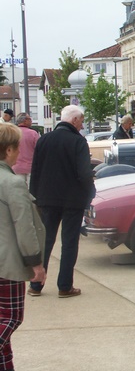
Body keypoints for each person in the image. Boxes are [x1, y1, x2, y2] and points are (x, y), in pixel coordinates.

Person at [28, 105, 95, 298]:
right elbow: (84, 173)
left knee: (45, 241)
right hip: (73, 200)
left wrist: (35, 196)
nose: (82, 125)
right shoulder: (78, 142)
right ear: (74, 120)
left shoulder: (44, 140)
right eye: (81, 121)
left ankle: (35, 284)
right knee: (69, 242)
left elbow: (35, 170)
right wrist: (90, 192)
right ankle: (65, 286)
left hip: (47, 198)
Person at [0, 122, 46, 370]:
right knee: (11, 317)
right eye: (17, 147)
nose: (19, 152)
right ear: (8, 150)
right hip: (8, 264)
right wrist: (36, 263)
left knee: (3, 336)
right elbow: (24, 226)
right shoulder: (12, 183)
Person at [12, 113, 39, 186]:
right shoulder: (33, 133)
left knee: (18, 189)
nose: (31, 121)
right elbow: (38, 150)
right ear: (25, 120)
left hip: (16, 167)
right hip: (31, 167)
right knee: (31, 189)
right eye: (29, 119)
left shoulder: (13, 133)